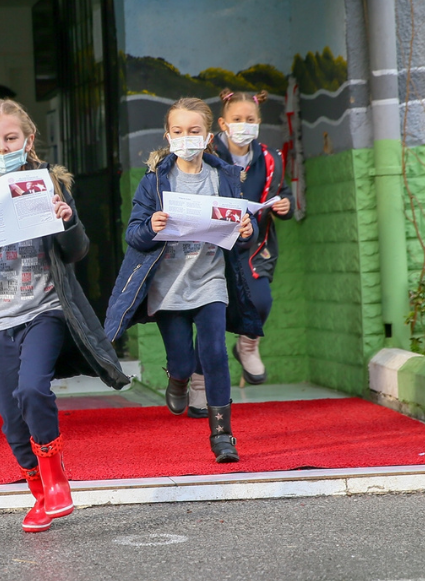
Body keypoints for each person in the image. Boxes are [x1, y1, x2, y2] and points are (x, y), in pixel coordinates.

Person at [0, 99, 129, 532]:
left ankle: (57, 477)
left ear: (29, 139)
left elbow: (76, 251)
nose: (4, 147)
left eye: (11, 138)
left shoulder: (50, 184)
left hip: (46, 309)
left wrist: (68, 220)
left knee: (33, 389)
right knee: (11, 417)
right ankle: (39, 492)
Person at [104, 97, 262, 463]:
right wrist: (151, 227)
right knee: (181, 359)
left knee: (215, 353)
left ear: (208, 137)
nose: (186, 138)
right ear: (168, 135)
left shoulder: (223, 176)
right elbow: (134, 235)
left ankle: (222, 434)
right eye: (178, 132)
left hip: (210, 281)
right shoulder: (154, 181)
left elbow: (243, 231)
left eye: (194, 131)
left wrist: (246, 230)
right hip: (168, 287)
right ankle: (177, 377)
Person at [187, 89, 297, 416]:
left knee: (261, 301)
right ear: (223, 123)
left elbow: (282, 192)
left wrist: (285, 206)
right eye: (237, 120)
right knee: (212, 320)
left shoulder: (270, 158)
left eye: (250, 120)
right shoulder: (206, 153)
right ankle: (197, 384)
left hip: (254, 247)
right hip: (212, 248)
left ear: (259, 123)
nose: (243, 125)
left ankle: (247, 345)